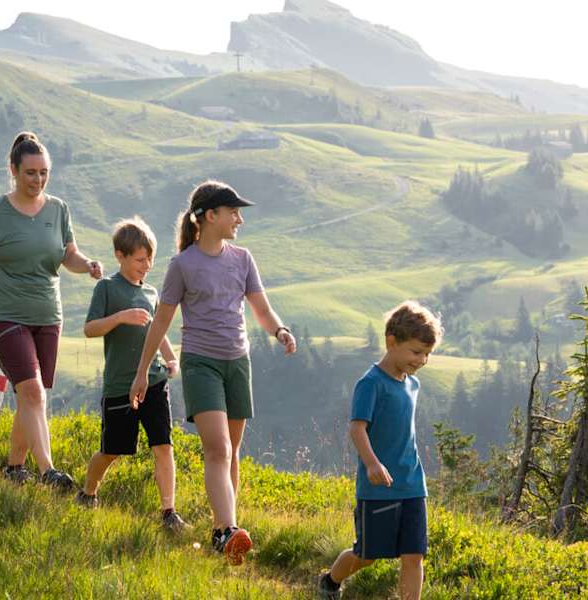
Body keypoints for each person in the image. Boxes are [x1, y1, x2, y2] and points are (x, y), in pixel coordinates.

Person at [131, 181, 296, 564]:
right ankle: (227, 530)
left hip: (237, 361)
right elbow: (161, 321)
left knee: (232, 451)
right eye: (233, 212)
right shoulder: (182, 265)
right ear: (209, 216)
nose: (239, 219)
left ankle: (226, 531)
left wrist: (280, 331)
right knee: (218, 449)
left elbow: (261, 308)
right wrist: (142, 372)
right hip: (200, 363)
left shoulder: (243, 258)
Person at [0, 131, 102, 490]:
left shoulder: (58, 209)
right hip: (3, 314)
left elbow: (68, 254)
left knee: (31, 395)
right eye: (30, 173)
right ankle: (48, 471)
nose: (37, 180)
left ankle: (14, 468)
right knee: (33, 392)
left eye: (43, 173)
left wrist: (87, 265)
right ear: (13, 170)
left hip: (48, 316)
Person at [317, 301, 441, 600]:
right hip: (378, 488)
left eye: (427, 354)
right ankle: (330, 581)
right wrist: (372, 464)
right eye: (415, 352)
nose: (422, 360)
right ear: (391, 342)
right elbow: (357, 428)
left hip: (412, 483)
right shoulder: (371, 383)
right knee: (367, 555)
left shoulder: (412, 384)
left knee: (414, 556)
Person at [77, 216, 191, 533]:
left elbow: (158, 330)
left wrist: (171, 359)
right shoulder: (107, 288)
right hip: (120, 385)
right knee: (112, 450)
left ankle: (169, 512)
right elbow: (90, 329)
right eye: (140, 260)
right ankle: (88, 493)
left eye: (149, 259)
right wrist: (121, 317)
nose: (147, 266)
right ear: (120, 256)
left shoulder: (152, 293)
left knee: (163, 445)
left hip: (154, 381)